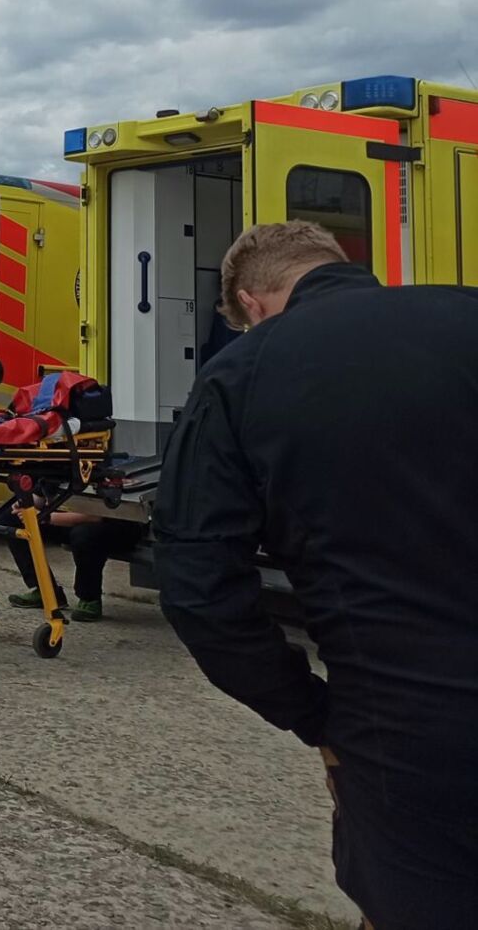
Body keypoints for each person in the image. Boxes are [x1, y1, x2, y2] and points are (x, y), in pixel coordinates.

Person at [155, 221, 478, 930]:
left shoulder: (242, 374)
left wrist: (310, 712)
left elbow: (199, 585)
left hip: (411, 724)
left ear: (252, 301)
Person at [4, 508, 143, 621]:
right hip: (72, 518)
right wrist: (23, 505)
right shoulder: (62, 473)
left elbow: (96, 515)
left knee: (84, 535)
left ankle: (89, 598)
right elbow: (39, 496)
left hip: (115, 523)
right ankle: (45, 590)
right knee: (12, 520)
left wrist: (46, 517)